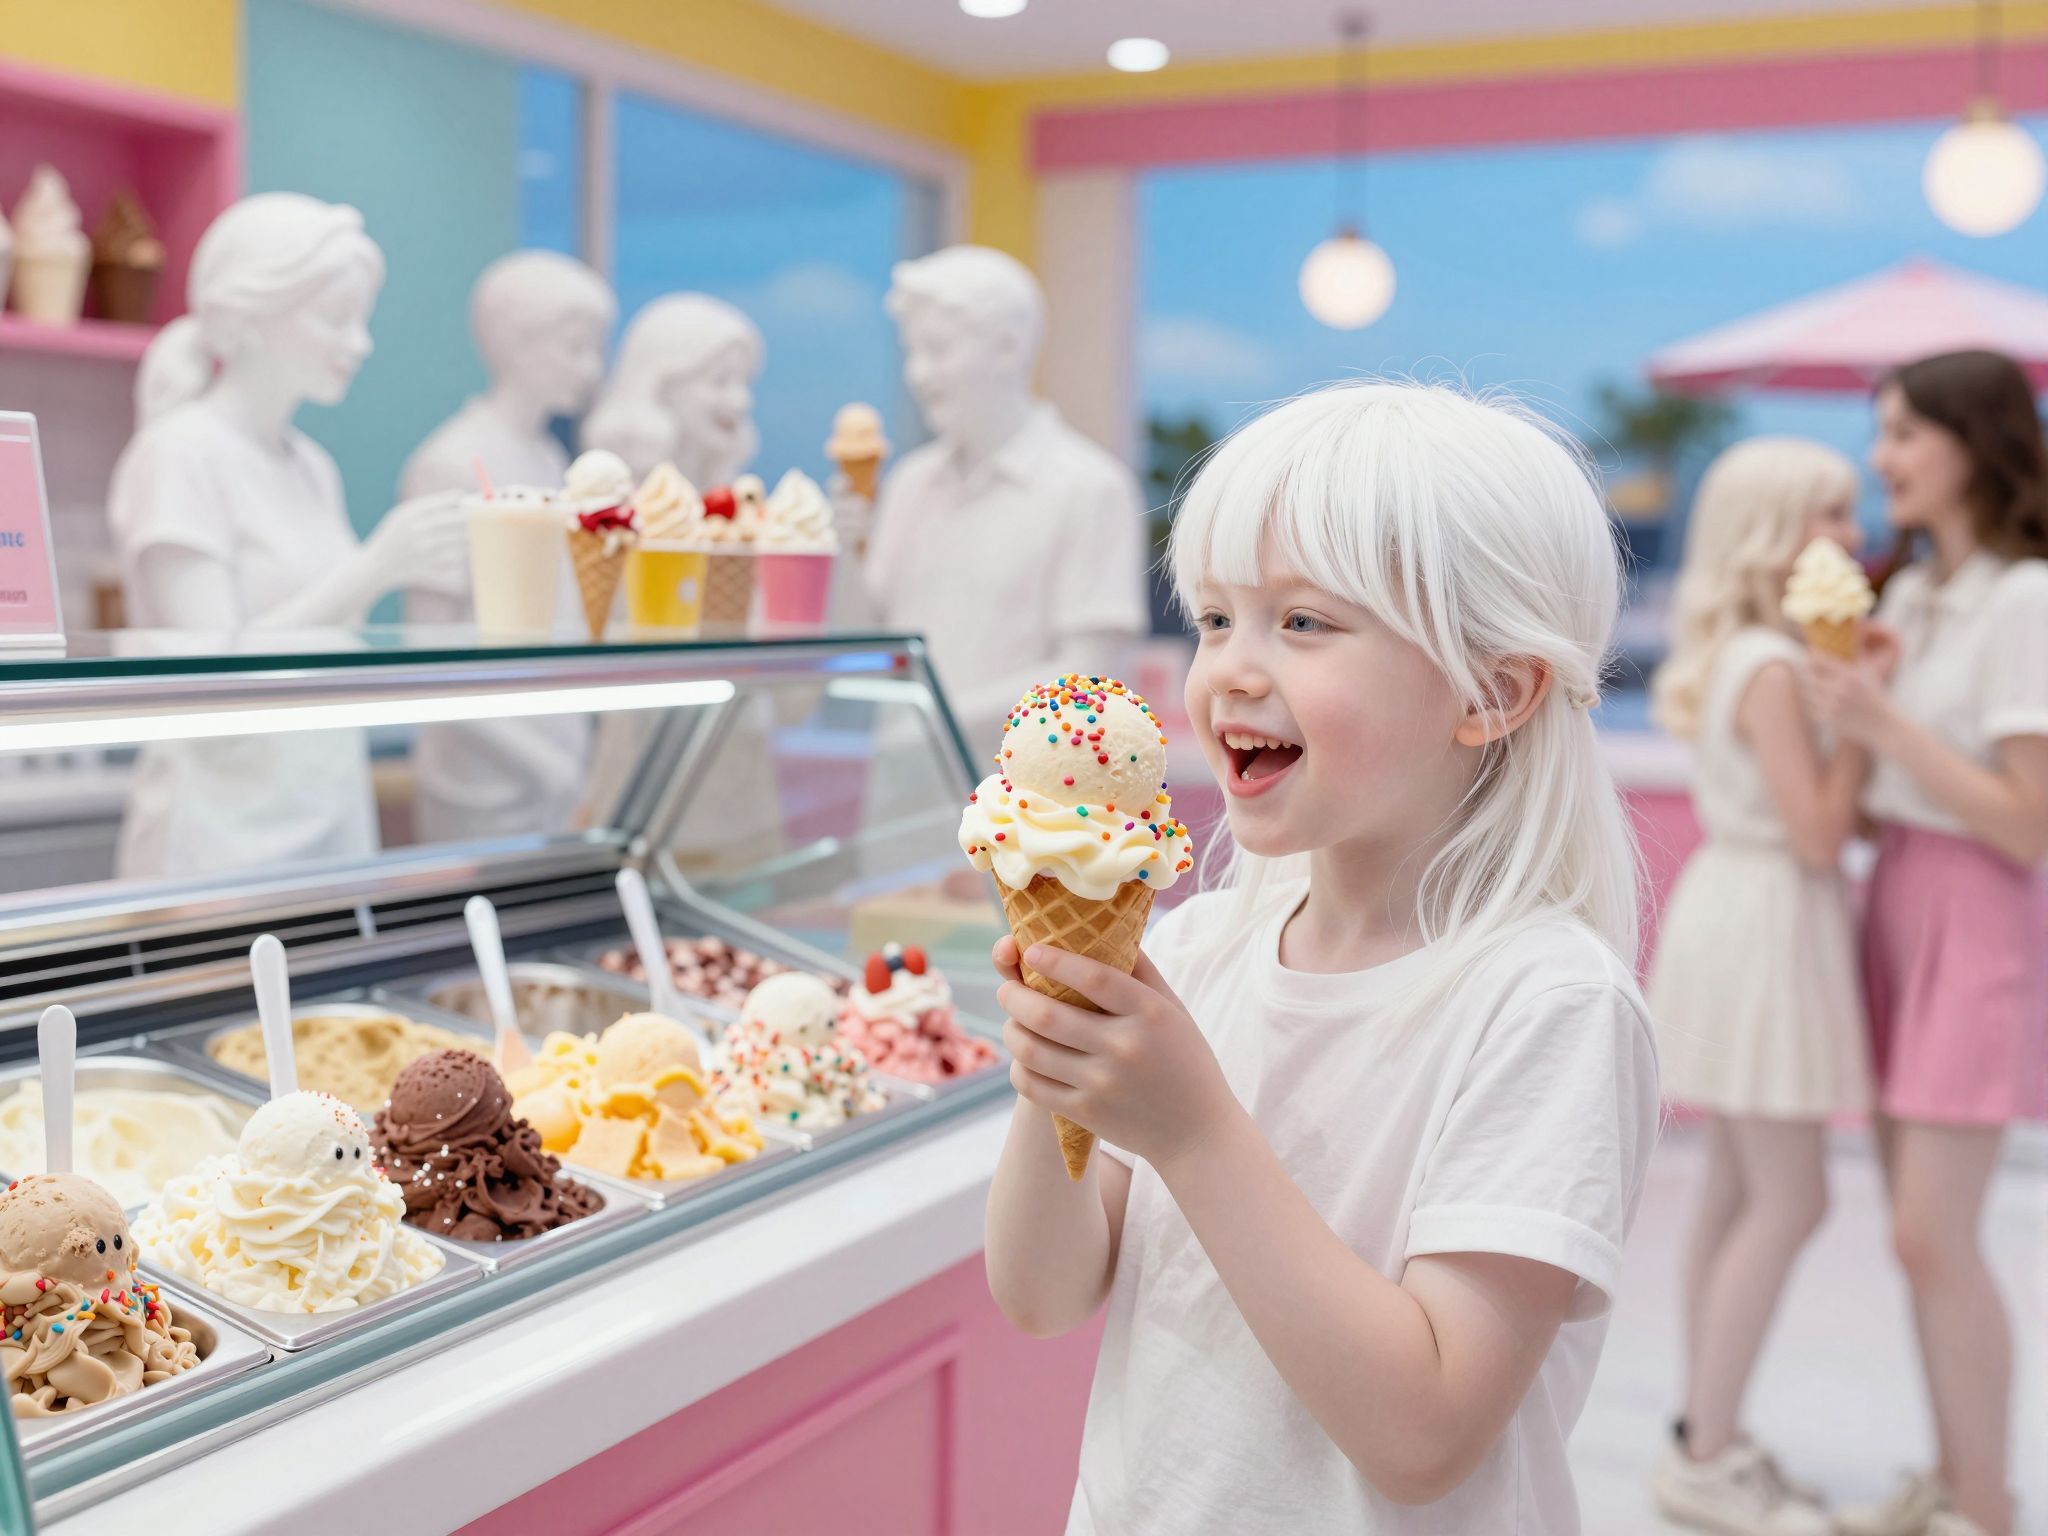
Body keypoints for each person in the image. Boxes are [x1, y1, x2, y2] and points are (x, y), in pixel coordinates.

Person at [983, 382, 1660, 1534]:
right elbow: (1041, 1296)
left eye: (1301, 623)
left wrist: (1189, 1131)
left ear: (1489, 692)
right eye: (1211, 619)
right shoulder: (1196, 944)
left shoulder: (1546, 1005)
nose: (1229, 672)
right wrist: (1055, 1064)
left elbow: (1425, 1435)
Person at [1807, 350, 2048, 1536]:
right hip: (1893, 899)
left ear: (1971, 441)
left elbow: (2022, 822)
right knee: (1917, 1240)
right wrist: (1848, 714)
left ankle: (1988, 1506)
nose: (1881, 459)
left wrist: (1879, 718)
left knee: (1927, 1232)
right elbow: (1858, 807)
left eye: (1902, 433)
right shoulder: (1903, 597)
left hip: (1974, 914)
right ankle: (1956, 1481)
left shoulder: (2024, 598)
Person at [1644, 439, 1876, 1535]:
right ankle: (1707, 1450)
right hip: (1769, 919)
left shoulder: (1739, 654)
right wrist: (1869, 719)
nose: (1848, 533)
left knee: (1737, 1192)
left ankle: (1706, 1432)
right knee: (1789, 1197)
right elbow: (1822, 831)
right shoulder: (1773, 669)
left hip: (1731, 911)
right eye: (1825, 515)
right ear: (1768, 536)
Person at [108, 192, 465, 880]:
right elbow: (215, 682)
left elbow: (330, 643)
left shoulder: (311, 467)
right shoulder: (179, 456)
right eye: (335, 317)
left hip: (327, 826)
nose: (359, 343)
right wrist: (374, 568)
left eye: (362, 319)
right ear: (251, 314)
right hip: (217, 848)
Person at [864, 245, 1148, 758]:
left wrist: (932, 721)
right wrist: (844, 545)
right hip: (900, 801)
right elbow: (866, 633)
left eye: (938, 349)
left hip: (1029, 808)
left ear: (1009, 348)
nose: (919, 374)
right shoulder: (909, 483)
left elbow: (1092, 676)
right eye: (912, 351)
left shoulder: (1088, 487)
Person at [400, 250, 617, 844]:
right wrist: (542, 763)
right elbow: (429, 657)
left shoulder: (551, 459)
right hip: (481, 782)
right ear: (516, 345)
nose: (590, 368)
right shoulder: (448, 462)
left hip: (559, 765)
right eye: (574, 347)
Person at [580, 292, 761, 486]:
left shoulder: (721, 486)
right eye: (719, 381)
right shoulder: (615, 489)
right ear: (663, 380)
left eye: (744, 382)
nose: (740, 400)